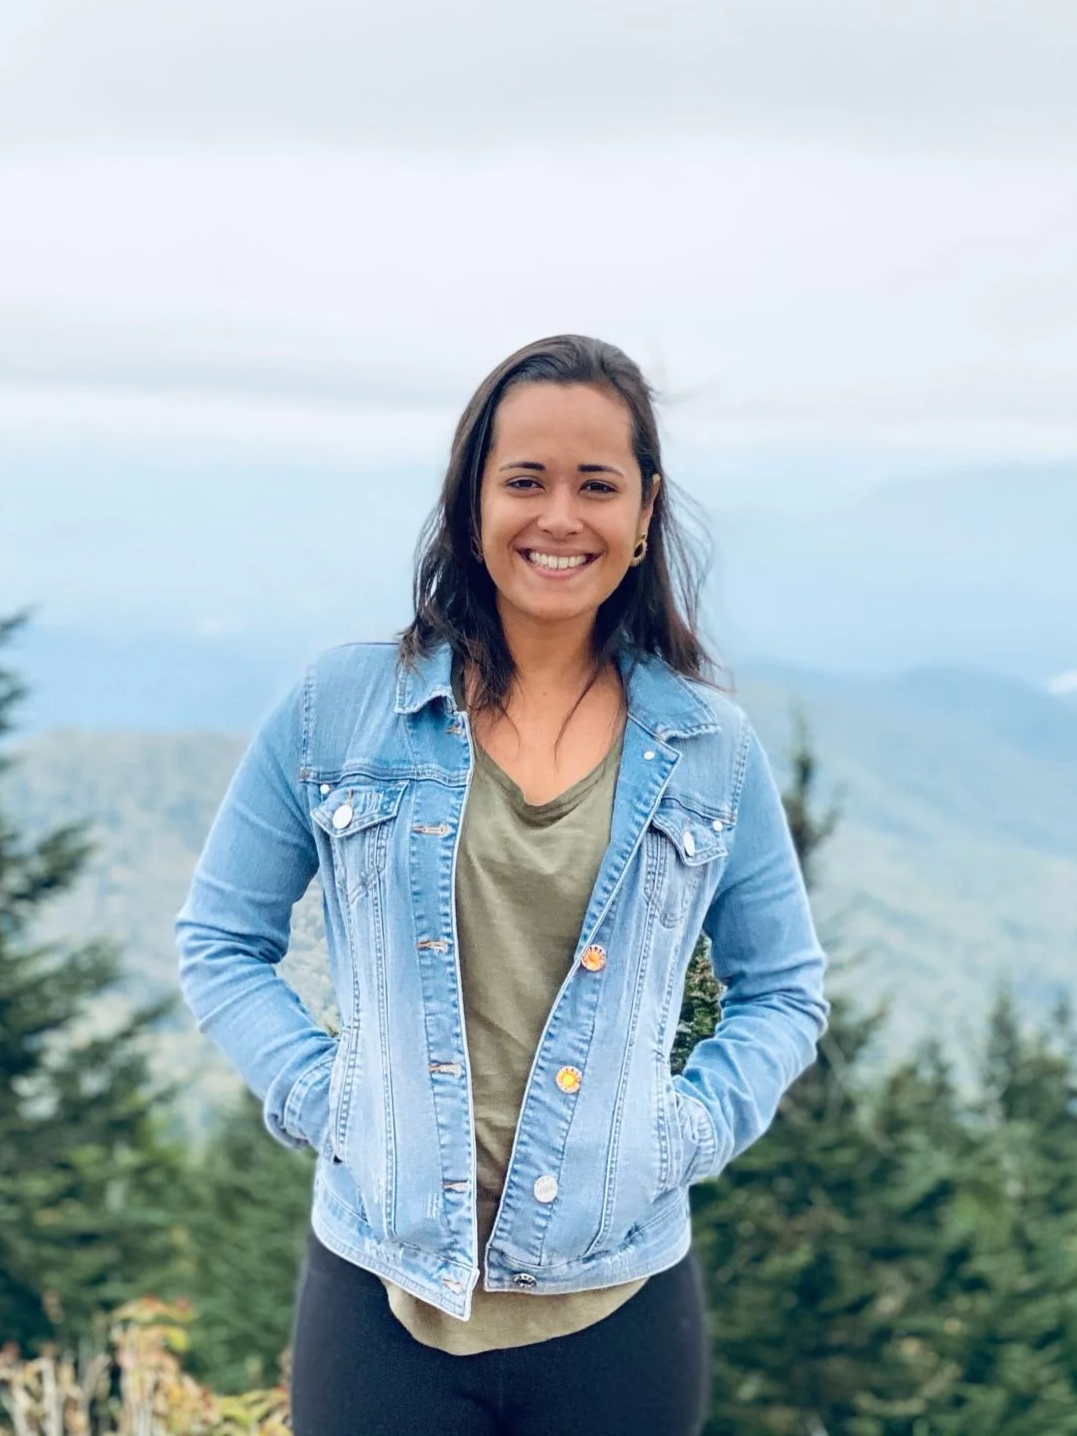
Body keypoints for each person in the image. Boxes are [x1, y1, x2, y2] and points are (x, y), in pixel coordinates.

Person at [175, 334, 829, 1435]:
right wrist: (328, 1101)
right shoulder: (338, 706)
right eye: (524, 480)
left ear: (645, 510)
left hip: (621, 1308)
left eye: (596, 484)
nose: (558, 517)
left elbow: (785, 989)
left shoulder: (710, 747)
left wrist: (681, 1132)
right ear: (471, 500)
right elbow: (219, 942)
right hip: (380, 1295)